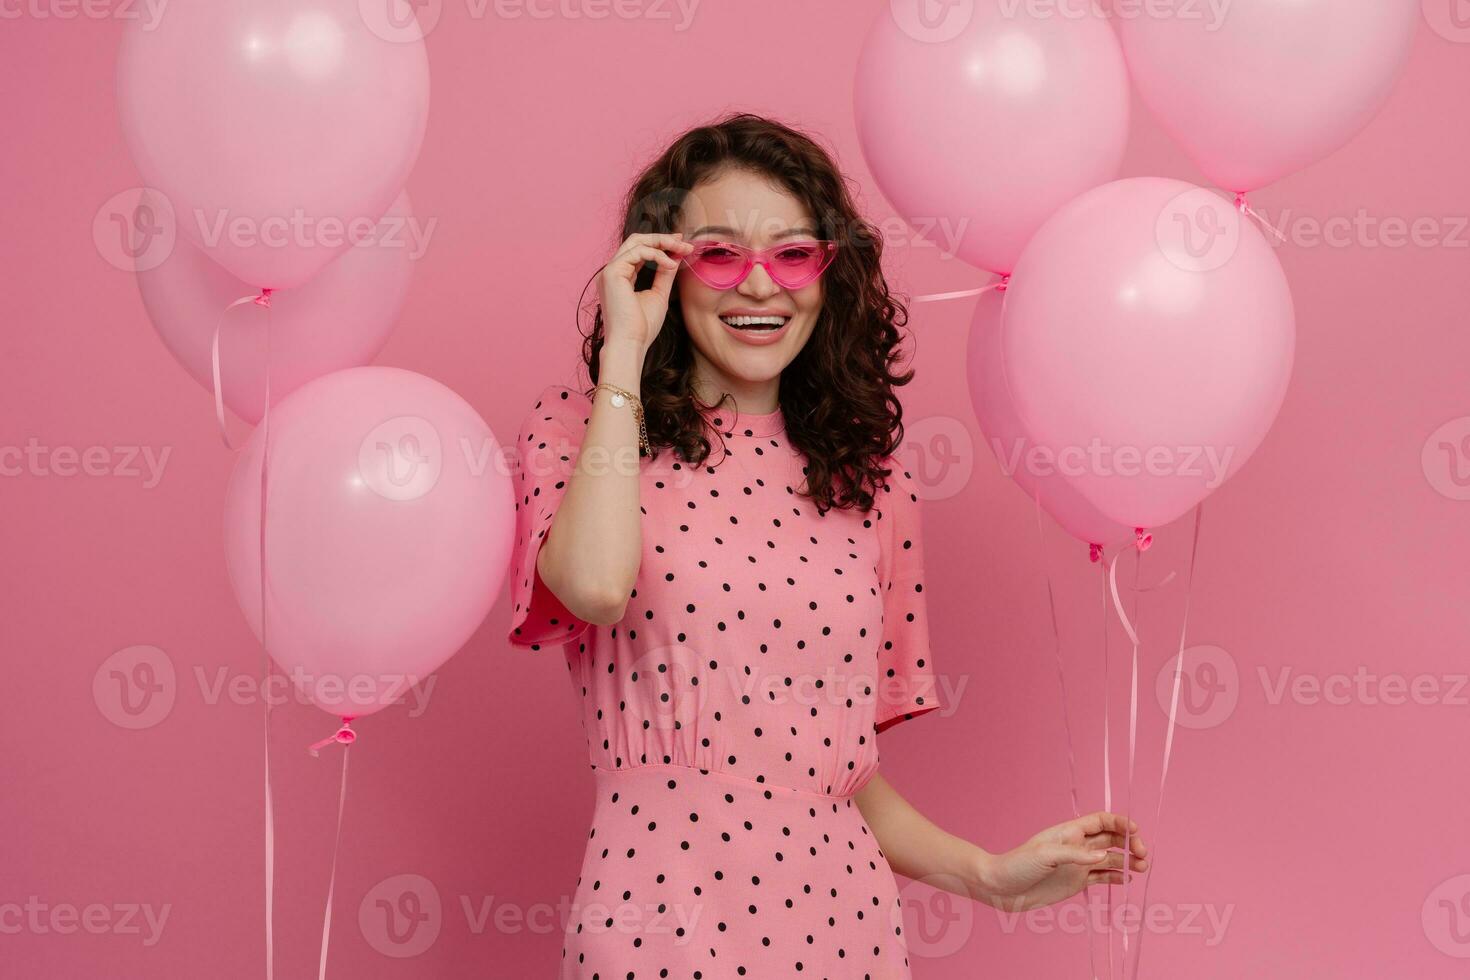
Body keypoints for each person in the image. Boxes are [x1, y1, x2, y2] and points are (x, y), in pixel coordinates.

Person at [506, 112, 1147, 978]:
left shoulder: (868, 480)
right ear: (663, 268)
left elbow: (823, 769)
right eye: (720, 255)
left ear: (829, 272)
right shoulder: (576, 429)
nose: (760, 286)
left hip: (846, 930)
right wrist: (626, 350)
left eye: (794, 254)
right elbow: (593, 587)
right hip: (658, 926)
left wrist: (991, 876)